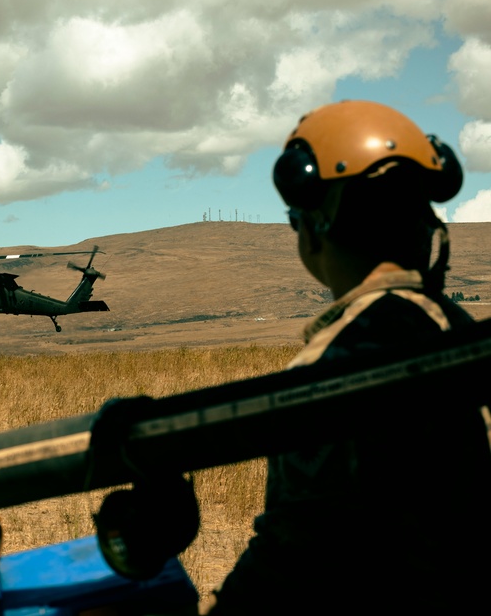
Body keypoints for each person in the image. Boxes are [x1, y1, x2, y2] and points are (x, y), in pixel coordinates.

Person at [204, 100, 491, 614]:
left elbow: (289, 561)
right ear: (425, 228)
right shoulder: (460, 333)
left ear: (313, 228)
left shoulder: (340, 364)